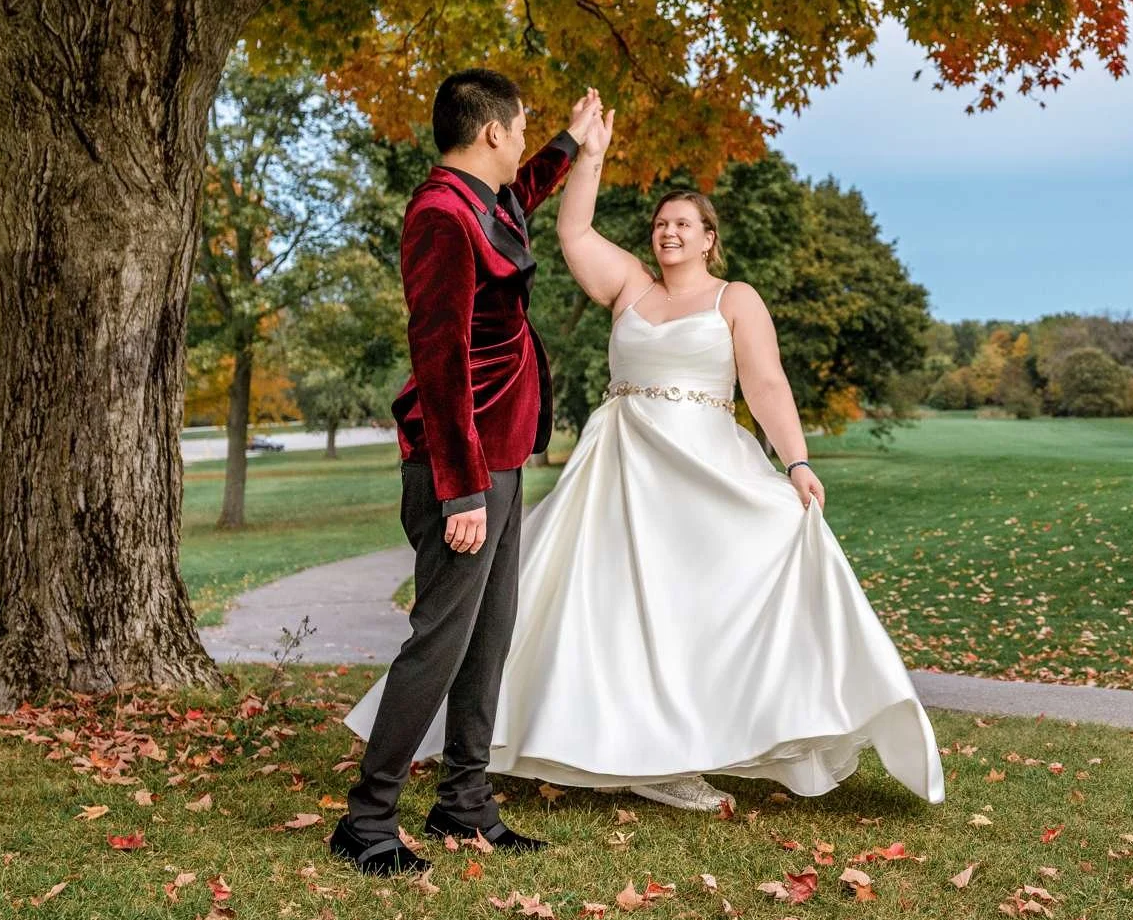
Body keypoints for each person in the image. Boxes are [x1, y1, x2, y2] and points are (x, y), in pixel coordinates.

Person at [476, 92, 944, 811]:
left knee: (700, 607)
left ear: (708, 240)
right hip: (625, 471)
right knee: (612, 611)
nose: (667, 232)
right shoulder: (629, 286)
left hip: (706, 475)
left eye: (683, 225)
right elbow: (573, 235)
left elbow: (765, 383)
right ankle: (612, 750)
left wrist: (797, 461)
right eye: (661, 223)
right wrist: (589, 156)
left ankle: (690, 748)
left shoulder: (735, 299)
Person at [329, 64, 582, 879]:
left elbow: (531, 187)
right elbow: (439, 360)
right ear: (492, 133)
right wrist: (461, 488)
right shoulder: (442, 217)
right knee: (439, 640)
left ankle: (463, 803)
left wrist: (575, 139)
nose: (525, 143)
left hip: (503, 458)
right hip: (461, 468)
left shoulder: (489, 199)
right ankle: (366, 820)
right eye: (523, 126)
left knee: (488, 637)